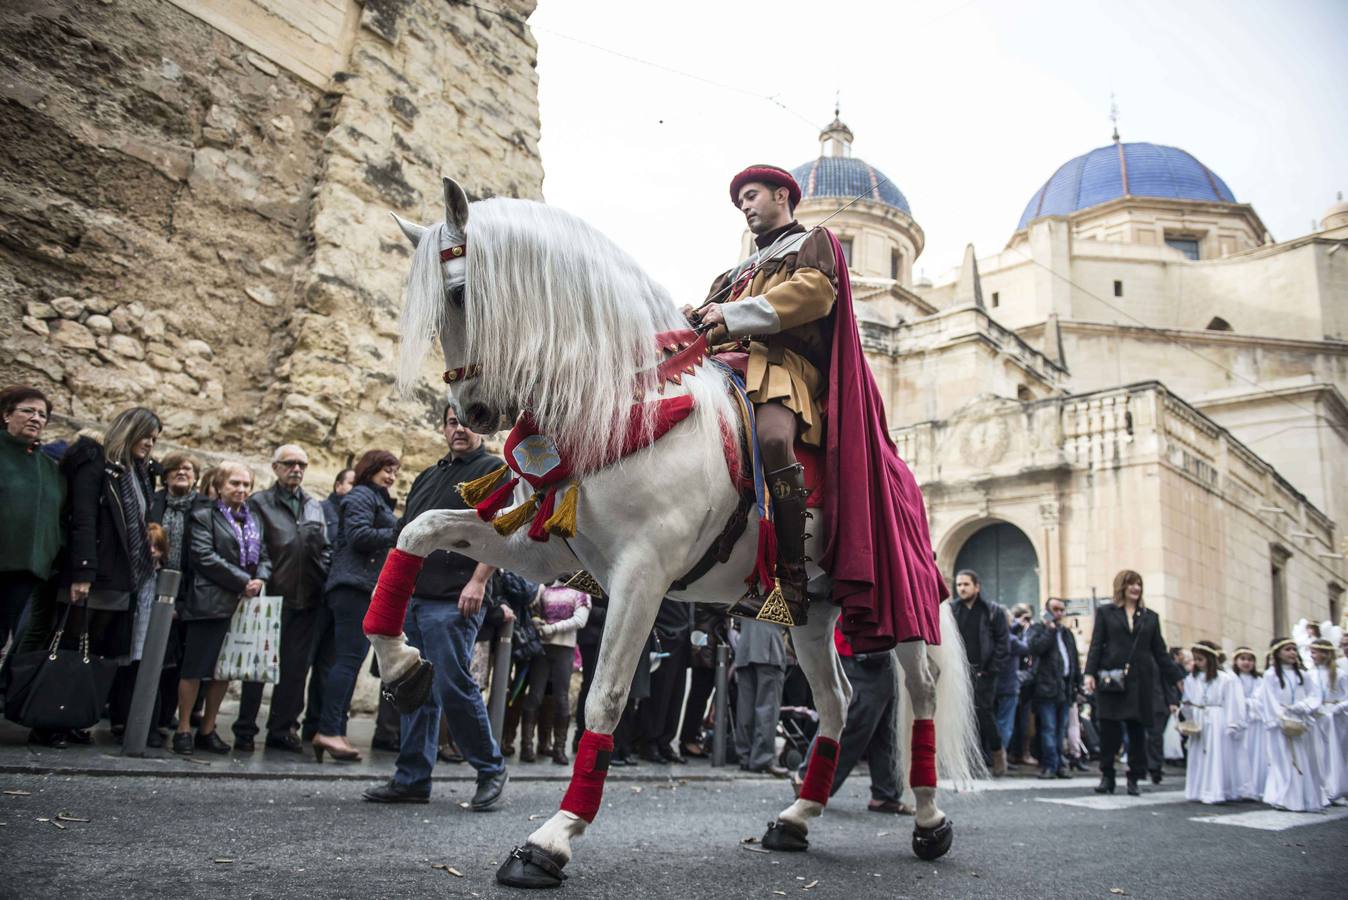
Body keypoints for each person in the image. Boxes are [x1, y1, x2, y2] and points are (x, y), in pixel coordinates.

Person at [692, 165, 946, 640]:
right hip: (724, 367)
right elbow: (706, 327)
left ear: (782, 194)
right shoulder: (731, 274)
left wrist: (731, 314)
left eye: (751, 196)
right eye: (740, 202)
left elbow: (811, 296)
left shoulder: (814, 243)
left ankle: (789, 579)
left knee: (771, 438)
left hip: (782, 367)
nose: (745, 206)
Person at [362, 405, 508, 808]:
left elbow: (504, 530)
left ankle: (491, 769)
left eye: (466, 422)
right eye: (451, 421)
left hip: (456, 597)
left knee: (453, 685)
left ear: (482, 427)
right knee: (414, 688)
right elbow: (403, 537)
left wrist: (479, 580)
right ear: (444, 427)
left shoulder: (495, 471)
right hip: (416, 596)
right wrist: (388, 592)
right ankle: (412, 778)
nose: (459, 429)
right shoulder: (428, 475)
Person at [22, 408, 160, 749]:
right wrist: (82, 572)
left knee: (95, 653)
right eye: (147, 436)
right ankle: (47, 721)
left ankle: (72, 719)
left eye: (155, 439)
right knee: (68, 647)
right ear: (130, 431)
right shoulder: (95, 462)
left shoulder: (138, 473)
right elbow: (83, 519)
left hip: (121, 577)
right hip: (91, 573)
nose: (151, 444)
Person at [234, 445, 331, 753]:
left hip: (307, 599)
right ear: (275, 467)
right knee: (257, 666)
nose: (297, 469)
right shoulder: (259, 503)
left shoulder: (314, 506)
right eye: (290, 463)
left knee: (294, 669)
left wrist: (325, 576)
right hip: (270, 596)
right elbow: (255, 547)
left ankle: (282, 729)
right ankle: (245, 729)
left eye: (302, 464)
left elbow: (324, 548)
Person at [175, 463, 271, 755]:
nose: (241, 490)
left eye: (246, 484)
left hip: (241, 606)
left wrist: (261, 578)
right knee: (195, 668)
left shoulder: (253, 520)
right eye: (234, 483)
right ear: (219, 486)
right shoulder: (204, 516)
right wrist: (244, 581)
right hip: (209, 602)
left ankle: (208, 728)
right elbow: (203, 556)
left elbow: (264, 556)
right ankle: (183, 729)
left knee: (223, 671)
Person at [314, 448, 399, 762]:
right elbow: (359, 536)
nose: (391, 477)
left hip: (357, 585)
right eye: (386, 470)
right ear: (371, 469)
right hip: (352, 586)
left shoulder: (373, 497)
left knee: (347, 661)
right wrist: (398, 531)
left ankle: (333, 730)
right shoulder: (362, 496)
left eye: (394, 472)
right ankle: (329, 731)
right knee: (348, 661)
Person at [1083, 569, 1181, 796]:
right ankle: (1107, 776)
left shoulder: (1150, 617)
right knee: (1109, 731)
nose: (1136, 588)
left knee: (1137, 731)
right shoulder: (1106, 613)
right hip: (1112, 679)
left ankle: (1134, 777)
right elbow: (1096, 645)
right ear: (1122, 587)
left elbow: (1160, 652)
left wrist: (1176, 678)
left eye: (1138, 584)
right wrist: (1089, 674)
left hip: (1140, 681)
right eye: (1131, 584)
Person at [794, 628, 909, 813]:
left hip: (884, 644)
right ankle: (808, 778)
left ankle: (885, 792)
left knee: (888, 723)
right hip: (861, 641)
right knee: (854, 716)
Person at [0, 386, 64, 654]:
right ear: (6, 415)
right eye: (28, 411)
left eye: (42, 414)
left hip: (25, 568)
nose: (36, 418)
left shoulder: (49, 467)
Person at [1258, 637, 1329, 811]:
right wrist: (1280, 717)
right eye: (1287, 649)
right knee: (1283, 761)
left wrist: (1303, 707)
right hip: (1281, 723)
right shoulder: (1270, 675)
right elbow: (1268, 699)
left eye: (1294, 649)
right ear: (1277, 653)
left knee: (1304, 760)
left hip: (1301, 721)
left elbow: (1314, 695)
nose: (1292, 653)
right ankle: (1284, 798)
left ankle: (1304, 798)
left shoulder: (1303, 675)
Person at [524, 580, 590, 765]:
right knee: (535, 696)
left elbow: (581, 620)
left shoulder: (581, 589)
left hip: (564, 648)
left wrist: (552, 628)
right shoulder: (545, 586)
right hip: (542, 648)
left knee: (561, 698)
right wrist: (537, 621)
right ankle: (527, 746)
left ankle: (559, 749)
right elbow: (533, 609)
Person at [948, 570, 1009, 773]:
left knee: (984, 713)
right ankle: (967, 761)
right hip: (959, 672)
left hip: (985, 673)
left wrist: (991, 669)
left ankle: (997, 754)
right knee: (961, 716)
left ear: (977, 586)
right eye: (959, 585)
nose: (962, 588)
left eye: (966, 584)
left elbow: (1002, 643)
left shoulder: (992, 611)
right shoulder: (952, 610)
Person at [1180, 641, 1245, 804]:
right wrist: (1187, 713)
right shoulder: (1191, 678)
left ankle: (1215, 791)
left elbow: (1231, 702)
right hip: (1199, 717)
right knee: (1199, 754)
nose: (1197, 663)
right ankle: (1198, 790)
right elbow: (1187, 699)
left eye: (1201, 659)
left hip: (1216, 718)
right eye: (1195, 659)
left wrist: (1232, 723)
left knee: (1215, 754)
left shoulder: (1224, 679)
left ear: (1210, 659)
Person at [1026, 597, 1081, 779]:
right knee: (1048, 728)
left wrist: (1077, 685)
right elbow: (1035, 648)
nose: (1059, 613)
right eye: (1055, 609)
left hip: (1064, 688)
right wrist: (1049, 629)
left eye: (1061, 610)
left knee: (1061, 730)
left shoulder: (1066, 633)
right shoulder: (1038, 629)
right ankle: (1049, 765)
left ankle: (1059, 765)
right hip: (1045, 687)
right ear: (1048, 611)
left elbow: (1073, 660)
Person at [636, 598, 692, 764]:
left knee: (676, 695)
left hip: (682, 637)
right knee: (659, 695)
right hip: (664, 636)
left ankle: (665, 741)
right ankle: (649, 742)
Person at [733, 617, 789, 776]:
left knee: (745, 708)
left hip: (745, 646)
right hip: (769, 647)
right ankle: (761, 759)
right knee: (767, 709)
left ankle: (745, 756)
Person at [1306, 637, 1346, 800]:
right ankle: (1320, 787)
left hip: (1334, 718)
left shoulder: (1341, 674)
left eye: (1314, 652)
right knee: (1318, 753)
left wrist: (1338, 708)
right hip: (1316, 716)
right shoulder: (1310, 673)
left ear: (1325, 653)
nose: (1312, 656)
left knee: (1335, 753)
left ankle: (1335, 788)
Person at [1228, 647, 1267, 801]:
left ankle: (1255, 786)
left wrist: (1248, 703)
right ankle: (1240, 786)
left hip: (1254, 721)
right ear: (1236, 661)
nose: (1246, 663)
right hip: (1239, 719)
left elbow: (1261, 699)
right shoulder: (1231, 679)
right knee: (1239, 753)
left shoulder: (1259, 680)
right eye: (1242, 659)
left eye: (1249, 660)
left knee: (1254, 753)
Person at [995, 604, 1031, 769]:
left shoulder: (993, 635)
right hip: (1009, 686)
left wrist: (1017, 624)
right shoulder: (1013, 641)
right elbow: (1027, 647)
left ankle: (993, 756)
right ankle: (1001, 758)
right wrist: (1026, 630)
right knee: (1005, 725)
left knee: (995, 722)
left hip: (993, 685)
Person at [322, 468, 355, 545]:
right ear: (338, 486)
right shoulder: (319, 509)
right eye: (352, 484)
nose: (356, 488)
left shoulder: (363, 514)